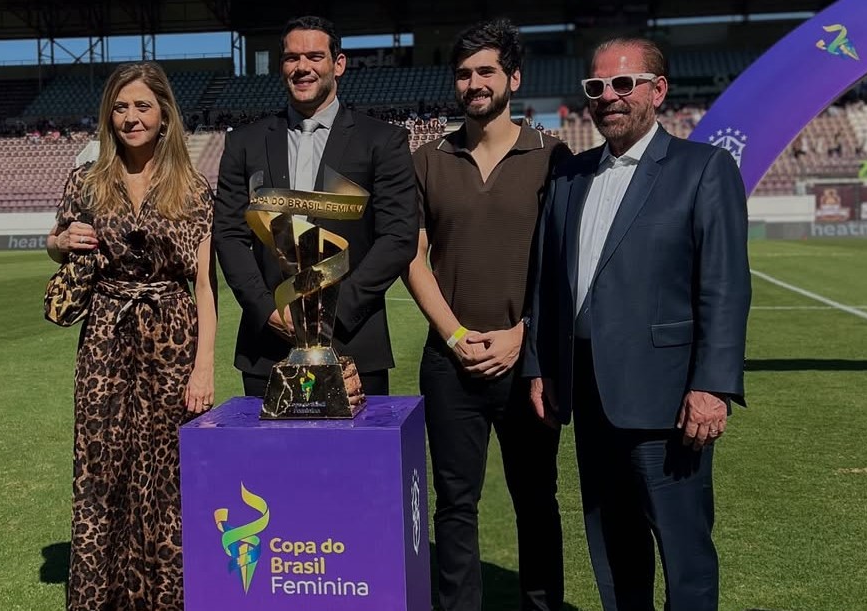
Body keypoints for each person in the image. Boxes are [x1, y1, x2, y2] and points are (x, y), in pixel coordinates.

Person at [524, 37, 751, 610]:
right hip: (588, 395)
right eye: (596, 86)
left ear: (658, 90)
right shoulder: (569, 177)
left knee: (683, 551)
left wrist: (712, 385)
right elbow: (546, 286)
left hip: (668, 401)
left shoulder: (703, 168)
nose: (609, 96)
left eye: (624, 83)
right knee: (613, 547)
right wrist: (539, 368)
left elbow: (724, 287)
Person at [403, 19, 572, 611]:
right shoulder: (427, 160)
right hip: (450, 363)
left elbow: (564, 263)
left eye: (486, 71)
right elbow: (412, 258)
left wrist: (524, 334)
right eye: (463, 73)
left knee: (537, 500)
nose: (474, 83)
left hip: (528, 363)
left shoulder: (553, 156)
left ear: (513, 79)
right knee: (455, 505)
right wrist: (454, 335)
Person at [44, 61, 217, 611]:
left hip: (172, 336)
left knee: (167, 472)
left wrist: (204, 366)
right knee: (101, 467)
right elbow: (56, 242)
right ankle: (101, 597)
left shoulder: (193, 188)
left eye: (143, 105)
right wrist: (59, 242)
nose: (131, 117)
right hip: (105, 336)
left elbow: (205, 286)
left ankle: (167, 597)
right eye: (120, 107)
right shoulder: (85, 180)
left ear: (165, 114)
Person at [214, 15, 417, 397]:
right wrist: (266, 309)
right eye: (292, 58)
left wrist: (332, 311)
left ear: (338, 64)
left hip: (353, 344)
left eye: (314, 56)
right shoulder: (244, 143)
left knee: (355, 442)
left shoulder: (382, 141)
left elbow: (398, 238)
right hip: (268, 348)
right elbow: (229, 236)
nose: (302, 67)